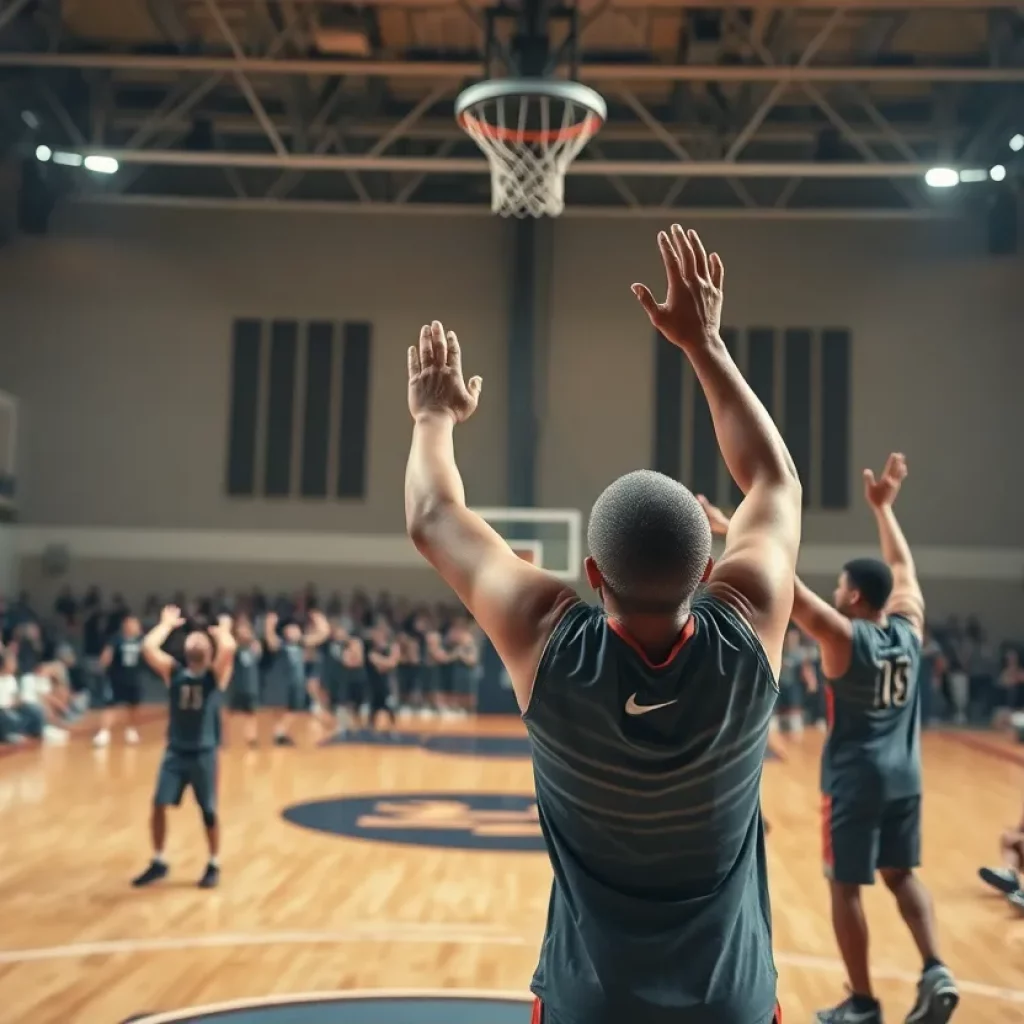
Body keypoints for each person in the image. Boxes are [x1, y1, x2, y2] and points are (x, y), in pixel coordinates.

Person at [404, 225, 802, 1024]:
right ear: (707, 570)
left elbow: (432, 515)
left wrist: (433, 417)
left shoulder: (546, 638)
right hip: (733, 999)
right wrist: (705, 344)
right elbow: (773, 479)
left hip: (594, 999)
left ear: (591, 577)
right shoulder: (750, 619)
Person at [701, 455, 959, 1024]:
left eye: (842, 585)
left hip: (854, 780)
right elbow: (903, 569)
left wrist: (732, 528)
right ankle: (935, 966)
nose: (837, 591)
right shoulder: (909, 631)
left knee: (844, 888)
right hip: (905, 778)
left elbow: (783, 585)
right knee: (901, 875)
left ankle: (863, 1003)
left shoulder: (845, 638)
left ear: (856, 598)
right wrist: (883, 511)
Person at [132, 607, 236, 890]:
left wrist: (222, 630)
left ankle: (214, 862)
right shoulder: (174, 672)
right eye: (192, 638)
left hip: (204, 752)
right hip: (176, 751)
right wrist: (165, 624)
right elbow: (148, 646)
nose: (196, 640)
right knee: (158, 804)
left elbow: (229, 647)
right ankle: (158, 860)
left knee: (209, 811)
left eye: (202, 639)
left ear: (209, 648)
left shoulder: (214, 676)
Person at [93, 615, 145, 747]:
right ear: (125, 626)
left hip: (134, 679)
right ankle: (104, 733)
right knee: (110, 706)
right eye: (131, 624)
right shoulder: (116, 639)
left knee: (133, 706)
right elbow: (107, 654)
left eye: (136, 624)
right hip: (116, 679)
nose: (134, 627)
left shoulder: (141, 641)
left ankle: (131, 731)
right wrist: (102, 665)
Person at [228, 617, 262, 748]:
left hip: (251, 685)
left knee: (251, 713)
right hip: (237, 685)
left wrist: (253, 640)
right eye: (240, 630)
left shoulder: (254, 646)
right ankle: (228, 738)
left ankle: (251, 738)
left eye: (246, 630)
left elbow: (258, 653)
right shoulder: (235, 648)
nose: (244, 632)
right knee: (232, 713)